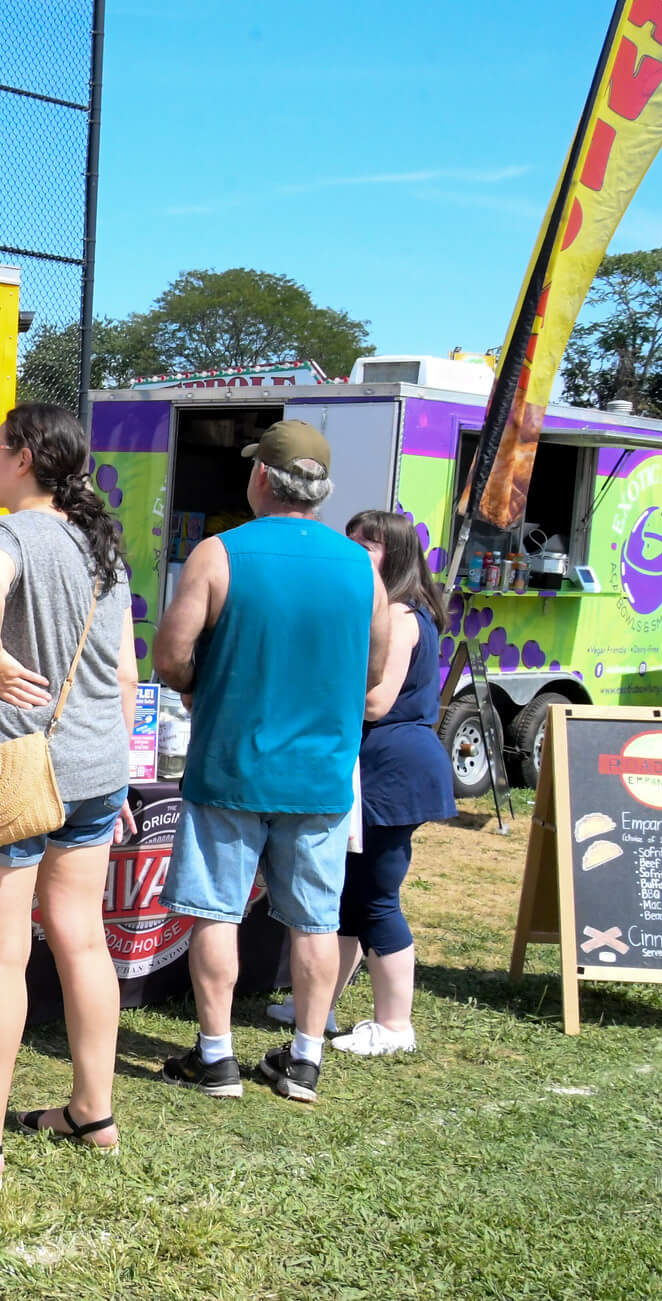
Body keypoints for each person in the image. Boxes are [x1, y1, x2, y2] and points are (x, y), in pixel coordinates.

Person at [0, 404, 139, 1184]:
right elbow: (124, 678)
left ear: (25, 456)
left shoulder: (2, 536)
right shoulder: (102, 545)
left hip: (11, 769)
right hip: (95, 770)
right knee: (81, 939)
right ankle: (93, 1110)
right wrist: (117, 767)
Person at [151, 420, 389, 1105]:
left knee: (215, 910)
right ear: (322, 489)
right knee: (315, 918)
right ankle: (306, 1059)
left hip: (232, 761)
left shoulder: (219, 554)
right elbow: (372, 670)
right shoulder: (361, 566)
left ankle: (217, 1055)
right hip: (320, 769)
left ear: (261, 477)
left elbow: (170, 657)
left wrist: (206, 685)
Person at [323, 509, 455, 1056]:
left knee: (378, 897)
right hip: (385, 767)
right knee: (353, 895)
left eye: (369, 544)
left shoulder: (401, 617)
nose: (356, 549)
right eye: (351, 539)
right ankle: (321, 1003)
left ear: (396, 555)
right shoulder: (394, 612)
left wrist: (317, 684)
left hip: (394, 769)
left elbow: (377, 702)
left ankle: (396, 1025)